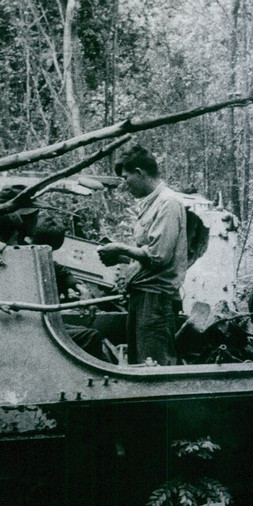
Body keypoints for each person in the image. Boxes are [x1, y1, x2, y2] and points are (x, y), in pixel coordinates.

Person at [97, 145, 188, 366]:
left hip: (156, 300)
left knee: (154, 366)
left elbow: (159, 257)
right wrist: (120, 257)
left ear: (140, 172)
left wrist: (121, 248)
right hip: (143, 296)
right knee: (140, 365)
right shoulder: (153, 203)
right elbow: (148, 255)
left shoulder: (168, 203)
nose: (125, 184)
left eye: (126, 177)